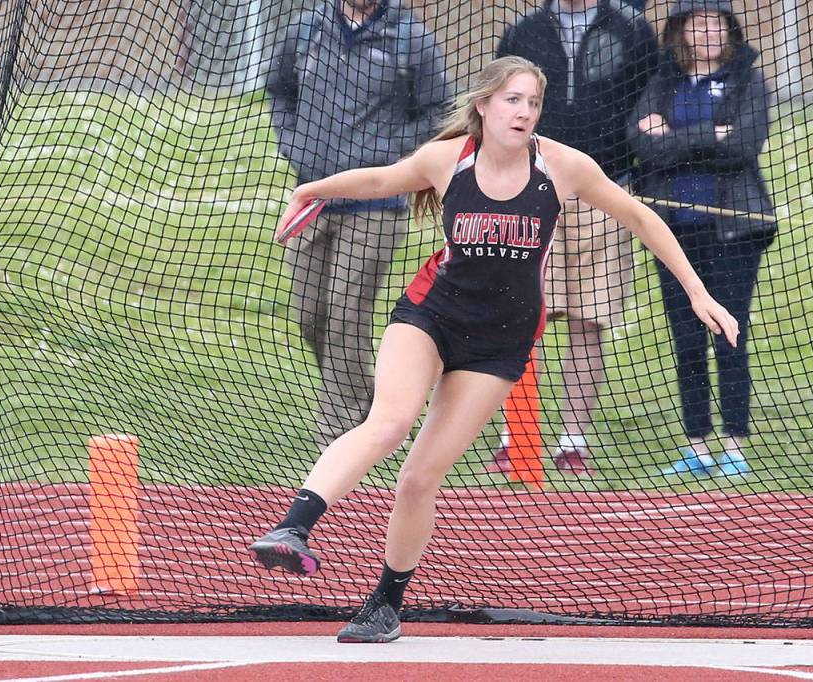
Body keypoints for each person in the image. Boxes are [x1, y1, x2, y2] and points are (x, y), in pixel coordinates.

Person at [250, 56, 739, 644]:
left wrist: (696, 291)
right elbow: (381, 179)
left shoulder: (562, 166)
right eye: (512, 100)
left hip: (500, 341)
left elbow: (638, 216)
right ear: (483, 105)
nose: (524, 112)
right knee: (389, 421)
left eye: (533, 102)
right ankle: (293, 528)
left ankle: (385, 602)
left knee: (417, 479)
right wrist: (312, 190)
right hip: (430, 314)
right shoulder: (448, 158)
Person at [265, 0, 449, 449]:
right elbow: (279, 92)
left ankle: (340, 432)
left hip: (376, 203)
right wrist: (297, 145)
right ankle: (373, 406)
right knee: (311, 314)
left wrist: (386, 151)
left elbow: (439, 113)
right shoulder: (306, 29)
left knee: (347, 311)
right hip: (312, 194)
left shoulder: (411, 38)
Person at [486, 0, 658, 476]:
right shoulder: (524, 32)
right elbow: (498, 105)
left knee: (590, 319)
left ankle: (572, 440)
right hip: (530, 189)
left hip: (605, 188)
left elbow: (647, 102)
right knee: (523, 318)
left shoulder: (631, 30)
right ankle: (516, 436)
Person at [627, 0, 775, 479]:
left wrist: (675, 137)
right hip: (674, 229)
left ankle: (734, 444)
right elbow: (641, 143)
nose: (707, 32)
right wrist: (709, 133)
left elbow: (743, 146)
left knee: (728, 332)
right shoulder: (664, 80)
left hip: (732, 230)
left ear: (728, 29)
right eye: (697, 23)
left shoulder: (746, 79)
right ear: (682, 31)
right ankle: (697, 444)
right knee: (686, 339)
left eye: (716, 23)